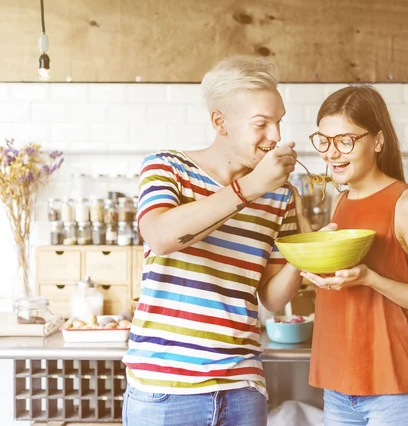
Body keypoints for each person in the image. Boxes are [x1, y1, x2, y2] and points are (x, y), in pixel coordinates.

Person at [121, 55, 313, 426]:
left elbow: (272, 298)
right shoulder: (167, 167)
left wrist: (309, 252)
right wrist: (252, 187)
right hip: (165, 390)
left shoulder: (279, 196)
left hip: (242, 389)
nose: (275, 136)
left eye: (279, 121)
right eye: (262, 123)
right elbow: (161, 236)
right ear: (220, 122)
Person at [301, 85, 408, 426]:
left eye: (345, 140)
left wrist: (370, 278)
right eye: (323, 140)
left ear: (378, 141)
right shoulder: (341, 202)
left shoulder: (407, 204)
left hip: (398, 391)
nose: (331, 153)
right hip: (340, 389)